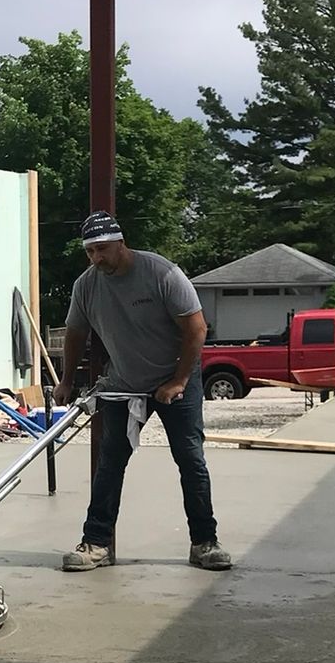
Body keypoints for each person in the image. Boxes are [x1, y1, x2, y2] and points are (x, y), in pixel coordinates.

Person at [54, 212, 232, 572]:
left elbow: (196, 329)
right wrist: (67, 380)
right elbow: (75, 333)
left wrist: (179, 381)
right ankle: (96, 543)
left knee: (190, 458)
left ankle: (205, 543)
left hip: (175, 376)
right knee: (111, 461)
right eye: (90, 252)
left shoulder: (161, 273)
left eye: (102, 249)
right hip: (124, 382)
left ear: (121, 243)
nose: (96, 258)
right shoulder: (86, 285)